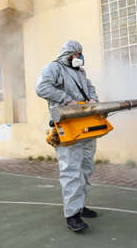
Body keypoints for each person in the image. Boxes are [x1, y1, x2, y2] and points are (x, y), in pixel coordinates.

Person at [36, 40, 99, 232]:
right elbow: (42, 88)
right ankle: (72, 215)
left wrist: (93, 99)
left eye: (81, 53)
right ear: (69, 54)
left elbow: (90, 88)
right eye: (78, 54)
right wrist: (67, 100)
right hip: (66, 126)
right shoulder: (54, 68)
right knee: (71, 170)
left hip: (86, 125)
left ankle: (80, 205)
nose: (80, 57)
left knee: (86, 168)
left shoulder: (81, 72)